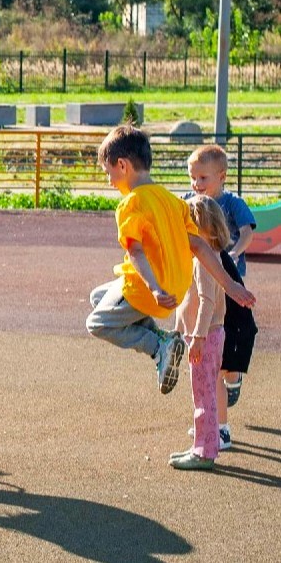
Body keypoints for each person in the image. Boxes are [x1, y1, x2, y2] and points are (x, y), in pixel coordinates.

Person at [86, 125, 255, 397]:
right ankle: (162, 339)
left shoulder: (131, 204)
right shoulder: (173, 201)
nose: (109, 181)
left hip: (147, 288)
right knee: (98, 297)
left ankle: (158, 347)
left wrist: (153, 288)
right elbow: (199, 245)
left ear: (122, 165)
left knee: (96, 323)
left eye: (109, 173)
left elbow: (136, 253)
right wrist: (230, 285)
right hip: (173, 290)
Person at [186, 144, 258, 449]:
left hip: (227, 274)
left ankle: (221, 423)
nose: (197, 185)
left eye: (203, 178)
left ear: (222, 176)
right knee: (215, 360)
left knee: (220, 359)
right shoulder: (191, 203)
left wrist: (234, 252)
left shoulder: (231, 203)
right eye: (193, 178)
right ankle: (217, 419)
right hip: (206, 278)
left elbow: (247, 231)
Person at [168, 195, 229, 470]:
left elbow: (208, 301)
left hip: (205, 337)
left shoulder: (204, 259)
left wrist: (198, 338)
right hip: (208, 335)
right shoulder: (209, 257)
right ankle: (203, 445)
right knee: (204, 393)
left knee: (203, 395)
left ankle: (204, 452)